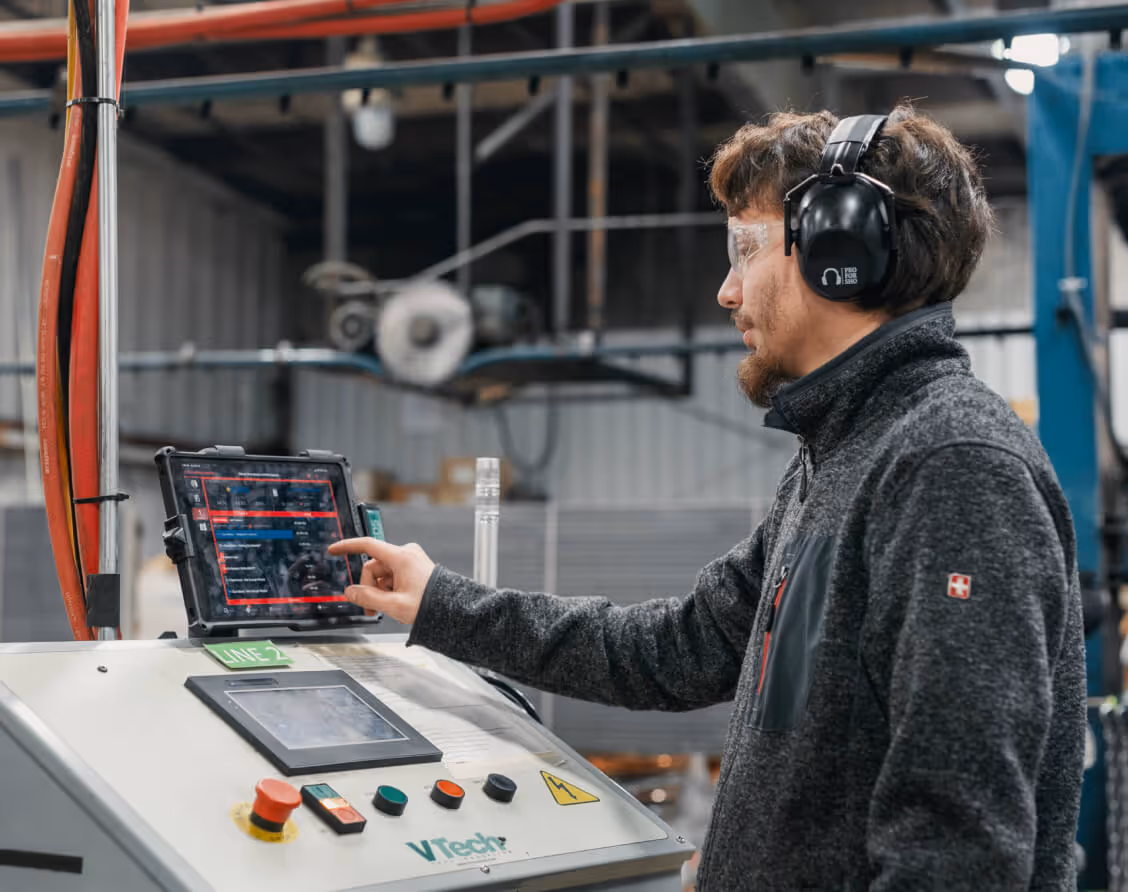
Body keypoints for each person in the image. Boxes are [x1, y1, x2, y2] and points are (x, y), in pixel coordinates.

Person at [330, 105, 1086, 891]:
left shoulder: (948, 464)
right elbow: (669, 651)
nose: (726, 292)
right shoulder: (840, 456)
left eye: (744, 249)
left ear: (840, 251)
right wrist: (439, 603)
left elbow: (960, 854)